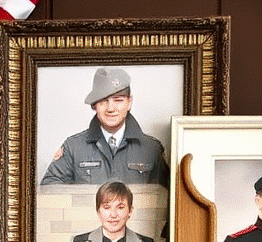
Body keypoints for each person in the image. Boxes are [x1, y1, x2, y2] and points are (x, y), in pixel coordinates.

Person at [40, 67, 169, 188]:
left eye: (118, 100)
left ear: (129, 102)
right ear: (94, 105)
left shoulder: (152, 149)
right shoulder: (73, 147)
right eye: (103, 102)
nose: (110, 108)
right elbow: (50, 188)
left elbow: (171, 198)